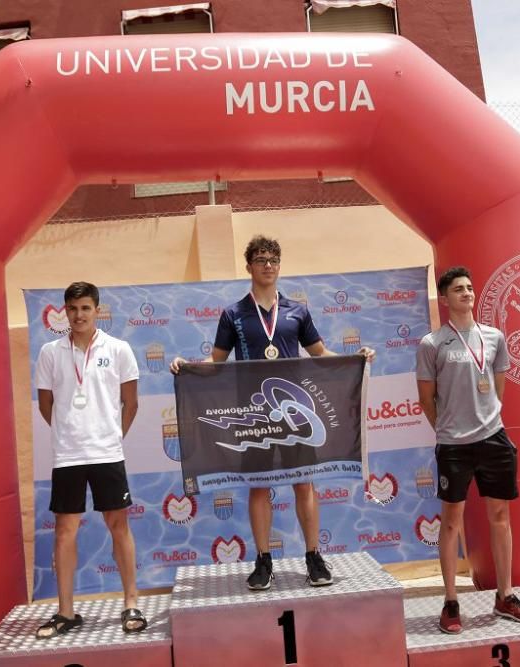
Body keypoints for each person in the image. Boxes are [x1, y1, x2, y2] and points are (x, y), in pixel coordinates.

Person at [170, 235, 374, 591]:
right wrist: (187, 367)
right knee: (259, 488)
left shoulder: (298, 310)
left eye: (273, 259)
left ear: (280, 266)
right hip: (255, 415)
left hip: (295, 412)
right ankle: (263, 560)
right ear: (248, 266)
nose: (268, 265)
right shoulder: (233, 314)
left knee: (304, 483)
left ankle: (314, 557)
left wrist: (355, 358)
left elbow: (320, 353)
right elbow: (217, 361)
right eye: (261, 259)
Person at [415, 266, 520, 634]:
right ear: (445, 298)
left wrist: (486, 420)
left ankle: (505, 595)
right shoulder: (432, 344)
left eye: (470, 288)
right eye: (458, 289)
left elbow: (498, 390)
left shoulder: (494, 337)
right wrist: (449, 429)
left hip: (494, 439)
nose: (467, 293)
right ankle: (451, 601)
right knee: (452, 522)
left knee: (500, 517)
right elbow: (426, 399)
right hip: (453, 444)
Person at [34, 281, 145, 638]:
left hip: (107, 453)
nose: (78, 315)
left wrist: (111, 436)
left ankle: (131, 602)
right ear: (65, 312)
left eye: (85, 308)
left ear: (97, 310)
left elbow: (132, 402)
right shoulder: (50, 352)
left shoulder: (118, 349)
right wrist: (70, 432)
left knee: (119, 526)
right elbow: (46, 405)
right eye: (72, 309)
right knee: (65, 532)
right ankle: (66, 611)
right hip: (67, 455)